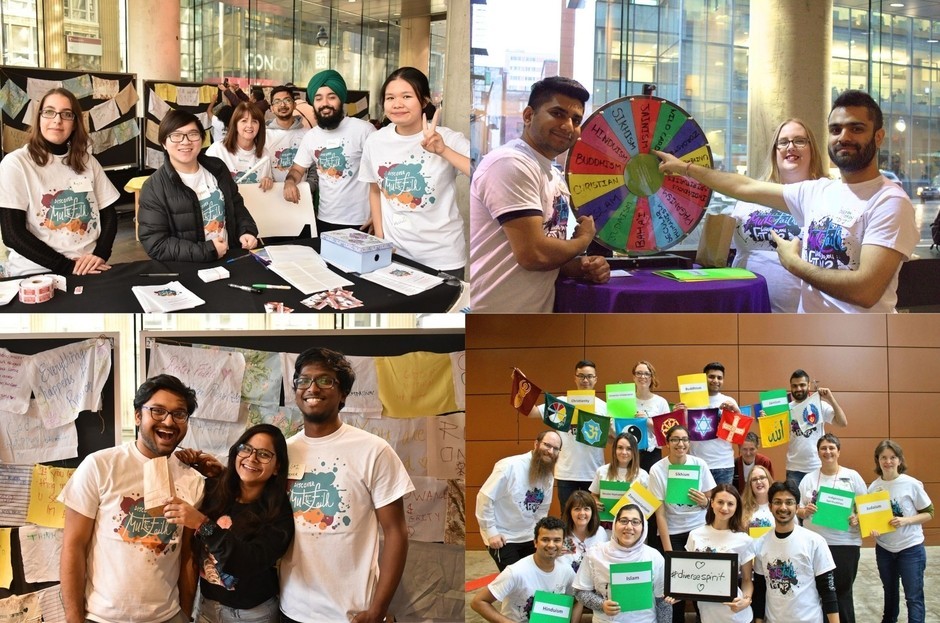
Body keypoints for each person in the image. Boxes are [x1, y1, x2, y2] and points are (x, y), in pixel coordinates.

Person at [656, 90, 919, 313]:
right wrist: (685, 168)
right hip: (804, 340)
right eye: (836, 129)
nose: (844, 137)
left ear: (878, 136)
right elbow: (743, 185)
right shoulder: (818, 192)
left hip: (860, 348)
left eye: (856, 128)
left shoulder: (890, 201)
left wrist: (794, 265)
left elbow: (865, 290)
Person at [280, 347, 413, 623]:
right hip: (291, 608)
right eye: (303, 380)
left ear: (343, 394)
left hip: (352, 613)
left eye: (325, 380)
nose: (312, 387)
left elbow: (396, 532)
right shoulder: (283, 451)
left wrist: (377, 610)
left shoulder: (373, 450)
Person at [59, 375, 206, 623]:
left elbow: (187, 555)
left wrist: (185, 613)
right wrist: (74, 619)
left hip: (167, 617)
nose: (169, 421)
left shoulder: (193, 480)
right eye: (158, 411)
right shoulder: (100, 465)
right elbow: (73, 546)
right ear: (138, 416)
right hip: (102, 617)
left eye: (179, 414)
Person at [469, 76, 610, 312]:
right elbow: (533, 254)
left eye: (576, 120)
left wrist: (583, 266)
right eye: (557, 113)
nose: (568, 126)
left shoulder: (553, 175)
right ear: (528, 116)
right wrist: (583, 241)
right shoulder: (510, 163)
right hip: (491, 324)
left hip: (529, 325)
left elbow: (548, 253)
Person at [163, 424, 294, 623]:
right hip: (206, 607)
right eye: (246, 448)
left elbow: (247, 562)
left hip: (252, 615)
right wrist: (187, 461)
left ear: (277, 467)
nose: (251, 458)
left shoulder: (279, 511)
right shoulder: (216, 490)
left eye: (264, 454)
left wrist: (201, 522)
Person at [359, 67, 471, 278]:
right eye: (390, 97)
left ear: (425, 101)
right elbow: (375, 190)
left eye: (407, 96)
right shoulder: (375, 141)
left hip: (442, 257)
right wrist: (381, 240)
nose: (397, 104)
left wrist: (443, 150)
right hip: (396, 253)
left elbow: (484, 174)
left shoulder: (447, 137)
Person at [0, 87, 120, 277]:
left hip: (87, 268)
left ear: (75, 123)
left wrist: (101, 254)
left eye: (66, 114)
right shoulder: (16, 164)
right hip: (37, 272)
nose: (57, 120)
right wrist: (66, 267)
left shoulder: (87, 161)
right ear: (39, 118)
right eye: (49, 112)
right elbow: (12, 233)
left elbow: (109, 215)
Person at [730, 118, 828, 312]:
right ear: (775, 151)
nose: (790, 147)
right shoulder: (752, 196)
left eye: (799, 141)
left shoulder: (826, 196)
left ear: (812, 149)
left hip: (804, 319)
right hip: (747, 311)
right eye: (783, 142)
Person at [138, 109, 259, 262]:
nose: (185, 141)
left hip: (230, 259)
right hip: (189, 269)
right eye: (176, 136)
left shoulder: (217, 168)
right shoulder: (154, 187)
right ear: (164, 143)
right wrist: (207, 250)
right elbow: (156, 244)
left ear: (202, 139)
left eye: (193, 134)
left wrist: (246, 231)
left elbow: (236, 206)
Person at [285, 70, 376, 233]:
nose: (325, 103)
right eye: (318, 98)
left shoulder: (364, 130)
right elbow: (297, 169)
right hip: (324, 219)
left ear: (341, 99)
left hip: (362, 221)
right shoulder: (311, 137)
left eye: (331, 97)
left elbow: (380, 176)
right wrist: (290, 182)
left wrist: (379, 215)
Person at [795, 433, 866, 623]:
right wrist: (805, 511)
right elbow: (797, 509)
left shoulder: (852, 476)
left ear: (839, 451)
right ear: (818, 452)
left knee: (842, 592)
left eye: (831, 448)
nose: (827, 452)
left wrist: (857, 517)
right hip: (815, 545)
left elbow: (865, 508)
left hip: (845, 544)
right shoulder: (808, 479)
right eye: (823, 448)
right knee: (817, 592)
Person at [648, 424, 716, 623]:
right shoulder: (657, 470)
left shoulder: (699, 464)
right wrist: (669, 553)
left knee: (701, 585)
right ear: (667, 443)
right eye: (675, 439)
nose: (681, 444)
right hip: (673, 533)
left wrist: (705, 501)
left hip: (699, 532)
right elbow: (659, 514)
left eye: (685, 439)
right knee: (675, 591)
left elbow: (710, 497)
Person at [752, 481, 839, 623]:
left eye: (789, 502)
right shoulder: (761, 543)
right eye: (777, 502)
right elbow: (760, 590)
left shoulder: (814, 542)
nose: (783, 507)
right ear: (770, 506)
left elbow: (828, 591)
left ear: (797, 507)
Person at [476, 429, 562, 572]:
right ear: (536, 444)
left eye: (556, 448)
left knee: (537, 574)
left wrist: (540, 536)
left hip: (528, 535)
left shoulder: (548, 476)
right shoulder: (509, 466)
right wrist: (491, 532)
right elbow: (484, 498)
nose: (550, 451)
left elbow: (541, 510)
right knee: (516, 579)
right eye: (547, 445)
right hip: (503, 537)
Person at [867, 439, 933, 623]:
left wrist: (906, 520)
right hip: (885, 549)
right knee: (890, 592)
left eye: (892, 457)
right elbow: (871, 518)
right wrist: (872, 529)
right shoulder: (873, 488)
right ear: (877, 460)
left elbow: (929, 513)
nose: (888, 462)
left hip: (911, 548)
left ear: (899, 460)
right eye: (883, 458)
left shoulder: (911, 484)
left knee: (913, 596)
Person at [529, 359, 608, 510]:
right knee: (566, 517)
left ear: (596, 379)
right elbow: (532, 412)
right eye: (581, 376)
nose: (585, 380)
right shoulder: (562, 404)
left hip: (593, 472)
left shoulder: (604, 407)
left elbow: (612, 438)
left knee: (591, 519)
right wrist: (521, 386)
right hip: (566, 472)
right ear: (575, 378)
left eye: (590, 376)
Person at [573, 504, 673, 623]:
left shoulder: (654, 556)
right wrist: (601, 605)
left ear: (643, 527)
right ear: (615, 524)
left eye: (635, 522)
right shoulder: (595, 554)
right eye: (623, 521)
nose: (629, 527)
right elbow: (580, 591)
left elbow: (662, 601)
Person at [471, 516, 582, 623]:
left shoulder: (566, 571)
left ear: (563, 543)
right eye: (545, 539)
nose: (551, 545)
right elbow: (478, 602)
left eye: (557, 540)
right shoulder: (515, 572)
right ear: (535, 542)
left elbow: (578, 600)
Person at [686, 484, 755, 623]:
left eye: (730, 504)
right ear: (711, 503)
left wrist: (746, 600)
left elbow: (747, 580)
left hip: (736, 616)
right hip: (706, 614)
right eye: (720, 502)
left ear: (736, 508)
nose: (724, 508)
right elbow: (689, 576)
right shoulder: (695, 535)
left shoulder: (744, 540)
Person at [786, 369, 847, 486]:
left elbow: (842, 422)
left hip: (818, 465)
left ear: (808, 385)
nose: (798, 389)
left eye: (802, 385)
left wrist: (830, 398)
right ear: (791, 387)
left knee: (819, 503)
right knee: (794, 503)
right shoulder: (786, 409)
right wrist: (765, 418)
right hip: (794, 468)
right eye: (794, 386)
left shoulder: (819, 405)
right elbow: (771, 430)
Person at [690, 362, 741, 485]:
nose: (715, 380)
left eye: (719, 378)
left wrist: (736, 411)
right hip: (698, 463)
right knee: (700, 504)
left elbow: (739, 432)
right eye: (711, 377)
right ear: (704, 378)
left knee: (723, 503)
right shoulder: (691, 401)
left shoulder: (729, 402)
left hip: (723, 464)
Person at [206, 102, 274, 190]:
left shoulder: (264, 154)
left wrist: (267, 181)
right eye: (244, 121)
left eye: (254, 121)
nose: (249, 126)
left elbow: (266, 188)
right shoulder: (216, 151)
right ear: (235, 124)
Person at [588, 431, 650, 520]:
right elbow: (593, 495)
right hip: (606, 524)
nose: (624, 452)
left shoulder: (643, 475)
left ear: (634, 452)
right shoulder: (602, 471)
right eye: (620, 448)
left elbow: (648, 505)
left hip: (631, 527)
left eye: (629, 449)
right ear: (614, 450)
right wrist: (595, 502)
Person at [631, 360, 672, 475]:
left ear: (651, 377)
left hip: (652, 453)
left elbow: (667, 435)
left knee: (650, 490)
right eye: (638, 373)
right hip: (629, 452)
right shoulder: (626, 401)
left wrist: (648, 422)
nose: (642, 376)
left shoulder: (661, 402)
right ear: (633, 377)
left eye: (646, 373)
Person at [265, 86, 310, 184]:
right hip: (272, 193)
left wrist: (309, 187)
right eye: (277, 102)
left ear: (294, 105)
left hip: (303, 193)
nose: (282, 105)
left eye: (287, 100)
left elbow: (314, 166)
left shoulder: (307, 134)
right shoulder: (264, 136)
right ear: (271, 108)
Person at [558, 490, 608, 574]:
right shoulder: (560, 534)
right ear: (569, 512)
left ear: (593, 512)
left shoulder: (600, 532)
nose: (582, 513)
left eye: (586, 509)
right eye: (577, 509)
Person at [741, 464, 775, 536]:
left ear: (769, 480)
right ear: (750, 485)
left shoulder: (779, 505)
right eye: (754, 479)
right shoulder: (742, 508)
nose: (758, 482)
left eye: (762, 478)